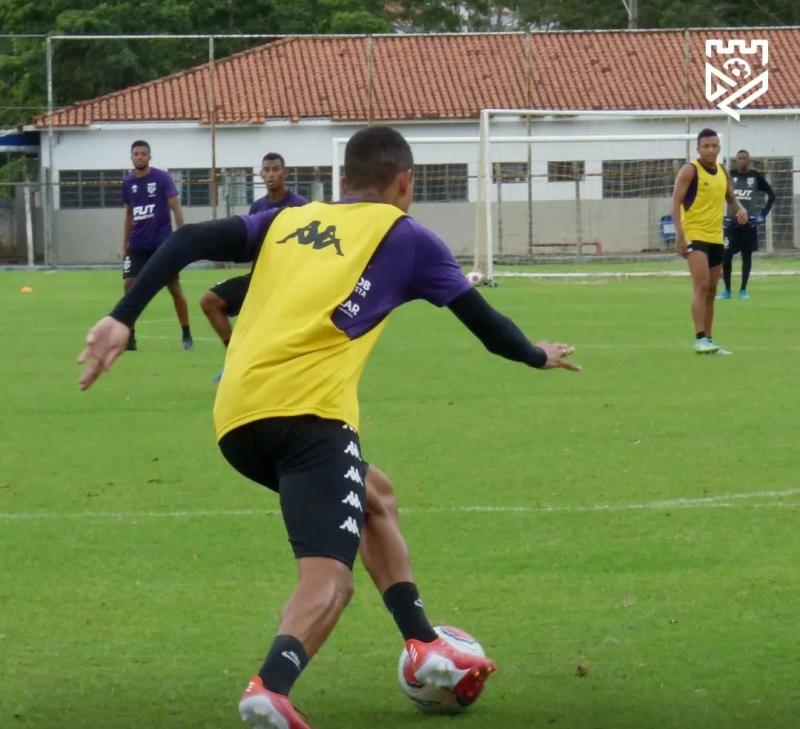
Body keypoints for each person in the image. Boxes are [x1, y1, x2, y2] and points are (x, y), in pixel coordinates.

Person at [78, 126, 581, 729]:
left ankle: (423, 641)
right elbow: (490, 329)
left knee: (377, 497)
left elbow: (186, 239)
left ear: (342, 181)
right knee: (330, 580)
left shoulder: (290, 219)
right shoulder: (410, 237)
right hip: (310, 418)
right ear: (405, 183)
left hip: (237, 419)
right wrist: (537, 354)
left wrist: (121, 317)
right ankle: (271, 687)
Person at [200, 154, 307, 381]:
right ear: (261, 174)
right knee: (209, 301)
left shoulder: (300, 207)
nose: (270, 174)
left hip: (287, 283)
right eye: (266, 170)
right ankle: (234, 360)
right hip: (258, 279)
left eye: (275, 169)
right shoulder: (258, 206)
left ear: (284, 173)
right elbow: (249, 243)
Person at [671, 128, 748, 355]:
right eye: (706, 146)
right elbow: (675, 202)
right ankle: (699, 338)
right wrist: (679, 235)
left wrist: (740, 209)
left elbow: (731, 200)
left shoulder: (723, 171)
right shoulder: (689, 170)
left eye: (714, 146)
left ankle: (710, 340)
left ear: (719, 148)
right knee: (702, 285)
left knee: (713, 289)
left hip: (716, 236)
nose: (710, 150)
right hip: (694, 235)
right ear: (698, 148)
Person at [121, 140, 193, 351]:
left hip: (162, 245)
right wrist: (124, 243)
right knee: (129, 285)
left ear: (149, 157)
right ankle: (130, 336)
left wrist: (181, 235)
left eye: (143, 153)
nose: (140, 157)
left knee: (174, 288)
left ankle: (186, 334)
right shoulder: (127, 183)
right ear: (131, 157)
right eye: (136, 154)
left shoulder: (161, 179)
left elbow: (175, 207)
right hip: (137, 245)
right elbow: (128, 214)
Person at [718, 149, 775, 300]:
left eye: (745, 158)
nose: (742, 160)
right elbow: (717, 195)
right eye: (739, 158)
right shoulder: (730, 176)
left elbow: (772, 195)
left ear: (748, 160)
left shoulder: (755, 176)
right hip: (731, 224)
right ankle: (727, 290)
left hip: (748, 224)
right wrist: (721, 216)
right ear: (736, 160)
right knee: (726, 255)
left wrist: (762, 215)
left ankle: (743, 289)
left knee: (747, 256)